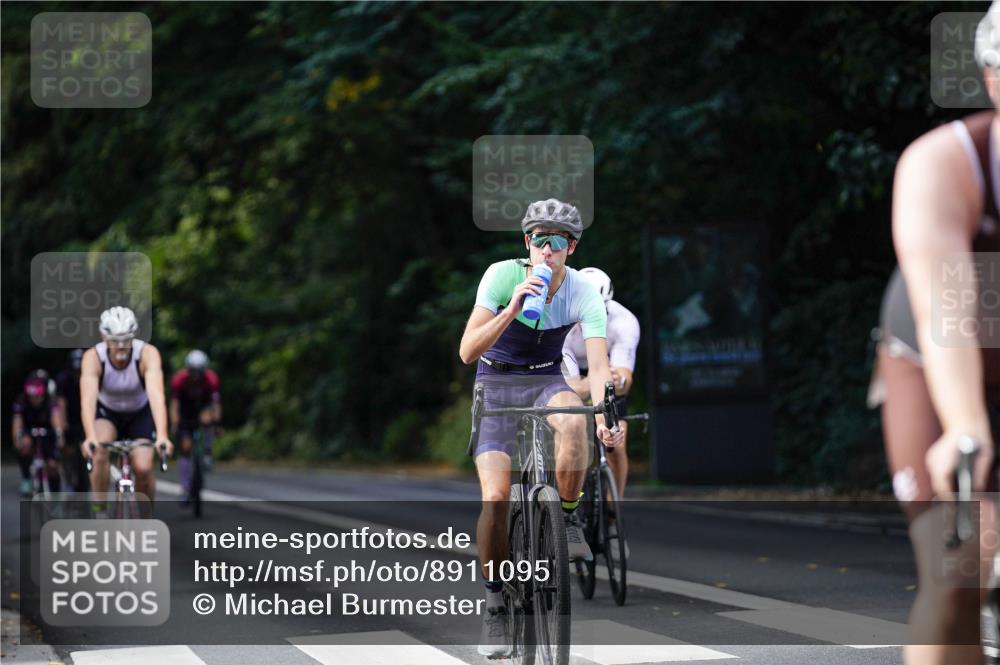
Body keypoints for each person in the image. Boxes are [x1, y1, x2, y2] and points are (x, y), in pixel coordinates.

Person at [876, 5, 1000, 662]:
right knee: (961, 561)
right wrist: (967, 430)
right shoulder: (943, 163)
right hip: (936, 353)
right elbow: (947, 313)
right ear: (992, 80)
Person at [459, 198, 625, 658]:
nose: (546, 251)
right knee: (494, 497)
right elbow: (467, 351)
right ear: (525, 243)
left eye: (557, 243)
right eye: (538, 241)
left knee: (575, 421)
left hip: (547, 378)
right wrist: (511, 309)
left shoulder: (582, 294)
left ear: (572, 247)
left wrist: (606, 420)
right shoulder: (500, 275)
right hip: (495, 381)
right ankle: (495, 602)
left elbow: (596, 369)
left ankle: (566, 517)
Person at [80, 307, 173, 509]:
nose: (121, 346)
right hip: (108, 413)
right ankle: (100, 506)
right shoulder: (93, 357)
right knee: (99, 451)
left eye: (126, 339)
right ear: (104, 337)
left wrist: (163, 435)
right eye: (115, 340)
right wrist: (90, 436)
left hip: (140, 413)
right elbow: (88, 399)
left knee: (143, 467)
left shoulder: (147, 354)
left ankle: (146, 519)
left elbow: (156, 395)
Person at [562, 267, 640, 500]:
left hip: (606, 371)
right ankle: (570, 502)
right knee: (570, 441)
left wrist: (619, 380)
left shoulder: (624, 321)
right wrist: (590, 384)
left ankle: (611, 510)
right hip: (576, 374)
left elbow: (625, 379)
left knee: (616, 446)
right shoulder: (560, 324)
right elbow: (570, 385)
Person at [170, 349, 221, 502]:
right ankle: (185, 487)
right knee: (186, 448)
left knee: (207, 419)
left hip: (203, 408)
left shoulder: (211, 379)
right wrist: (175, 423)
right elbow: (175, 404)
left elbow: (215, 403)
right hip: (186, 412)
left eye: (199, 372)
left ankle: (207, 452)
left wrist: (216, 422)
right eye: (193, 371)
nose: (196, 375)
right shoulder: (179, 380)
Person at [11, 370, 63, 496]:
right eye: (31, 393)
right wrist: (17, 438)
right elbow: (17, 421)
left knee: (52, 466)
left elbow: (56, 419)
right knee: (24, 444)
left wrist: (59, 434)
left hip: (48, 432)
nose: (34, 398)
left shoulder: (50, 401)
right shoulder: (22, 400)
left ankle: (55, 496)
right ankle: (26, 478)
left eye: (38, 393)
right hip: (29, 431)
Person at [55, 349, 89, 492]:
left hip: (87, 419)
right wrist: (61, 428)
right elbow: (60, 405)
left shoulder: (93, 377)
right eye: (76, 370)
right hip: (70, 419)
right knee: (67, 450)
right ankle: (69, 479)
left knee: (88, 452)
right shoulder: (63, 380)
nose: (78, 374)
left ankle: (86, 482)